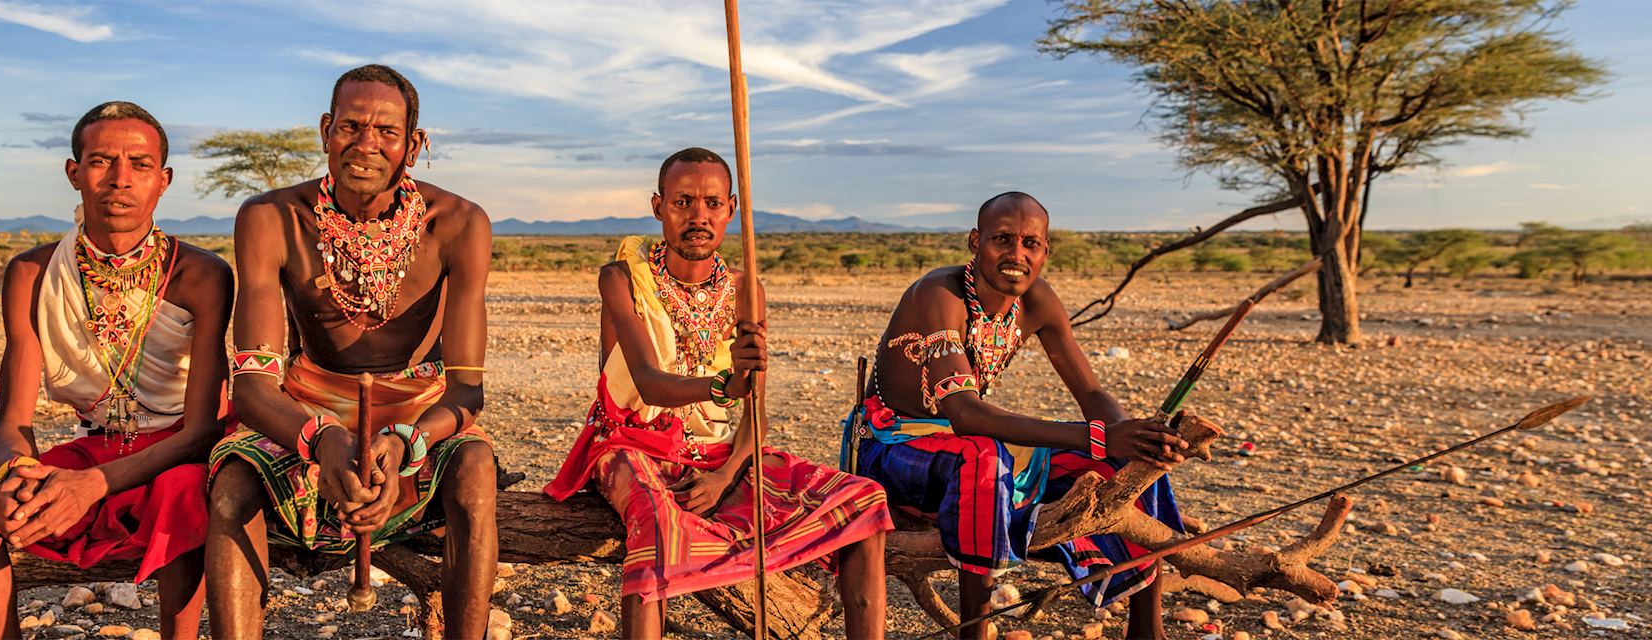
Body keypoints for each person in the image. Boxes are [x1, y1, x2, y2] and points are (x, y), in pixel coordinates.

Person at [546, 147, 893, 639]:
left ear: (731, 208)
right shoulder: (622, 278)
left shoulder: (746, 289)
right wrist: (724, 385)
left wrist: (729, 473)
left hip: (718, 455)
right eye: (683, 202)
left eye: (711, 203)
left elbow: (757, 413)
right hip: (629, 444)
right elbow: (647, 382)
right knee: (658, 524)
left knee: (862, 499)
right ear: (658, 206)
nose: (698, 216)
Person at [205, 64, 497, 640]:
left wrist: (407, 443)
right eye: (350, 126)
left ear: (414, 145)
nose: (366, 145)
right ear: (324, 130)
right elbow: (254, 387)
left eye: (387, 132)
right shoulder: (271, 220)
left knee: (476, 473)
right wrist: (323, 438)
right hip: (306, 404)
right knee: (232, 488)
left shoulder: (460, 224)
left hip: (419, 410)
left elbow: (466, 389)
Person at [0, 101, 234, 640]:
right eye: (101, 162)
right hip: (95, 444)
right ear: (74, 172)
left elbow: (202, 431)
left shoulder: (202, 275)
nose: (120, 180)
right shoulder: (31, 273)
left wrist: (88, 487)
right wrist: (15, 475)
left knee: (183, 490)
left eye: (140, 165)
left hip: (177, 450)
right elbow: (11, 423)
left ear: (163, 181)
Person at [846, 192, 1189, 640]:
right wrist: (1103, 436)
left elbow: (1090, 392)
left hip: (963, 441)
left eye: (1031, 243)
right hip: (892, 447)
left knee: (1130, 462)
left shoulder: (1038, 302)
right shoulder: (939, 293)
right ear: (975, 241)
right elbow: (966, 413)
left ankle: (1147, 629)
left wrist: (1134, 439)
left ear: (1046, 251)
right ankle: (976, 631)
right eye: (1002, 239)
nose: (1016, 254)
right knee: (983, 459)